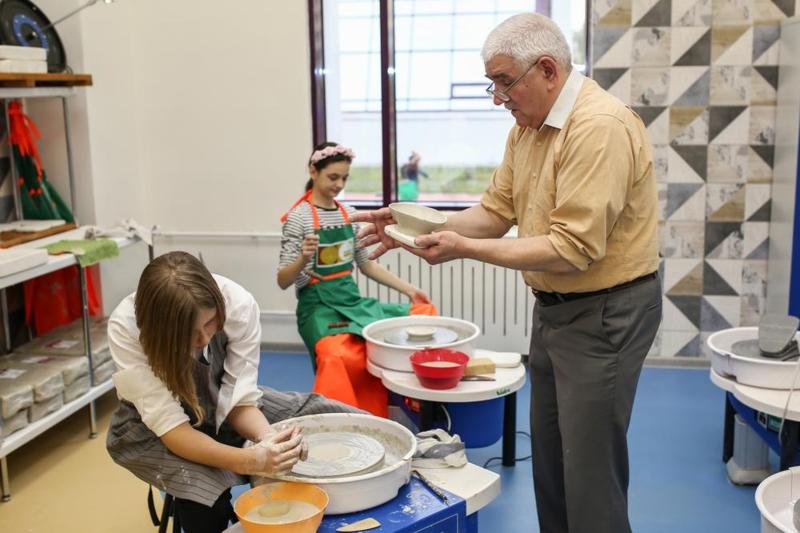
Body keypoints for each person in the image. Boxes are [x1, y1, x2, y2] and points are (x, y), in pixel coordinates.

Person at [353, 13, 661, 533]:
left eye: (504, 82)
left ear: (547, 70)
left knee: (590, 473)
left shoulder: (598, 127)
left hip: (605, 313)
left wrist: (465, 249)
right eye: (492, 83)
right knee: (552, 463)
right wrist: (410, 224)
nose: (498, 98)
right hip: (556, 311)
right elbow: (494, 214)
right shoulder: (528, 129)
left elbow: (572, 249)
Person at [106, 251, 357, 533]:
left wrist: (269, 439)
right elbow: (173, 430)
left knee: (327, 414)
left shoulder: (237, 303)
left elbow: (240, 402)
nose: (204, 339)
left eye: (210, 323)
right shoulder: (127, 328)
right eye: (189, 334)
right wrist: (252, 461)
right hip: (157, 428)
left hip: (219, 398)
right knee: (204, 495)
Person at [278, 142, 435, 417]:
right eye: (333, 177)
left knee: (420, 317)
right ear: (313, 171)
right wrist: (303, 258)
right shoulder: (298, 219)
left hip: (351, 303)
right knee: (336, 356)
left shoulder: (348, 215)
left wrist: (410, 290)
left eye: (344, 178)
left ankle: (404, 408)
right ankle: (342, 419)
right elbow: (283, 280)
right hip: (317, 310)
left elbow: (367, 265)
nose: (339, 185)